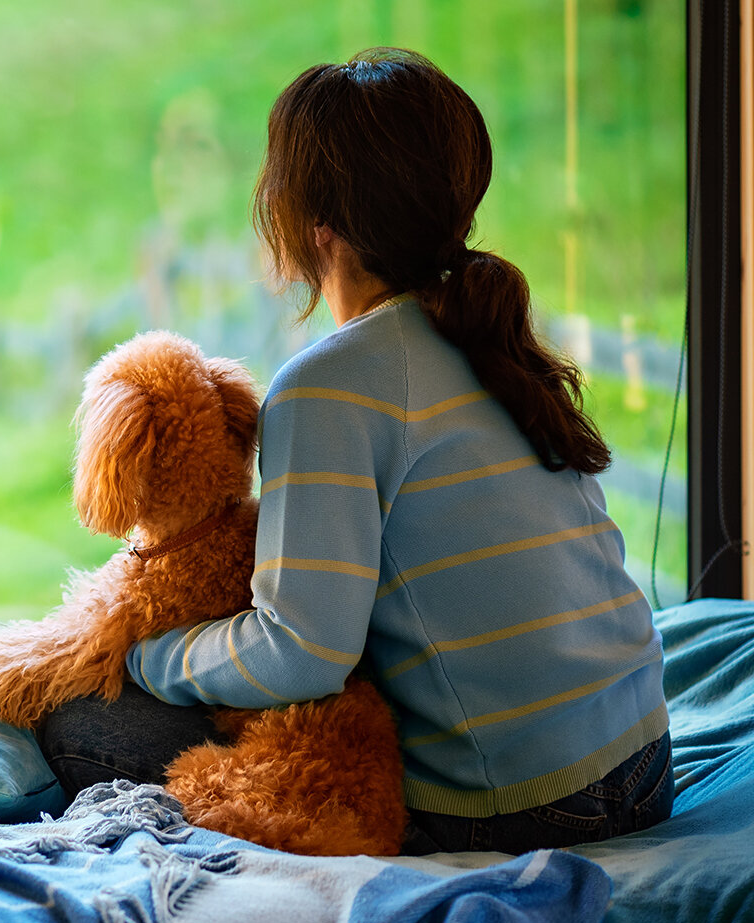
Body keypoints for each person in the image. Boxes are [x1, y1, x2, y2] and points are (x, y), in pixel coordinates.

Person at [36, 47, 672, 855]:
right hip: (646, 759)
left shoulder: (327, 388)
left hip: (532, 801)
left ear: (314, 227)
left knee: (84, 722)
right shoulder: (486, 329)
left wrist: (144, 652)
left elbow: (301, 655)